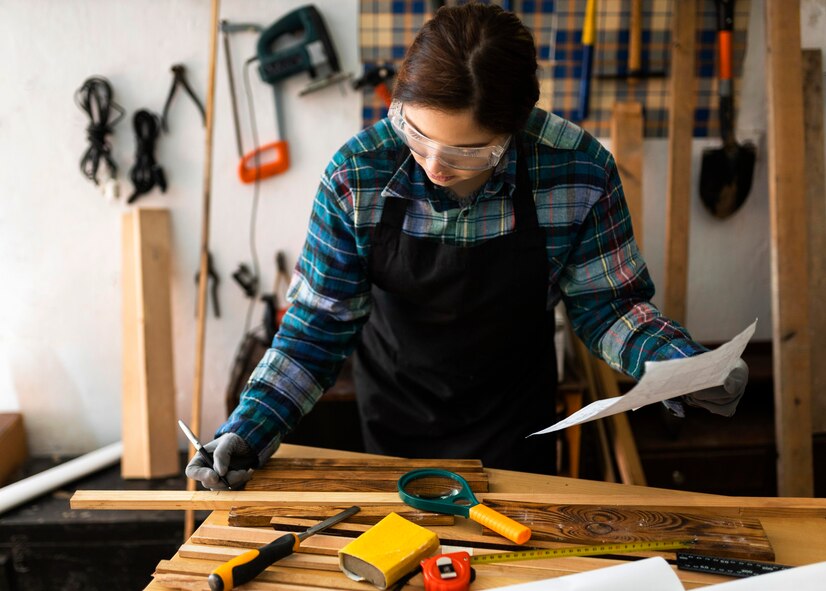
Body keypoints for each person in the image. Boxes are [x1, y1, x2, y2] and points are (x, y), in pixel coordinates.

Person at [186, 2, 748, 488]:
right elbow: (317, 327)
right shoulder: (357, 173)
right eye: (417, 136)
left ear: (515, 128)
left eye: (464, 154)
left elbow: (610, 307)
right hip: (395, 412)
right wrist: (250, 426)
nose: (432, 167)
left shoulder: (575, 170)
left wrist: (682, 366)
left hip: (515, 420)